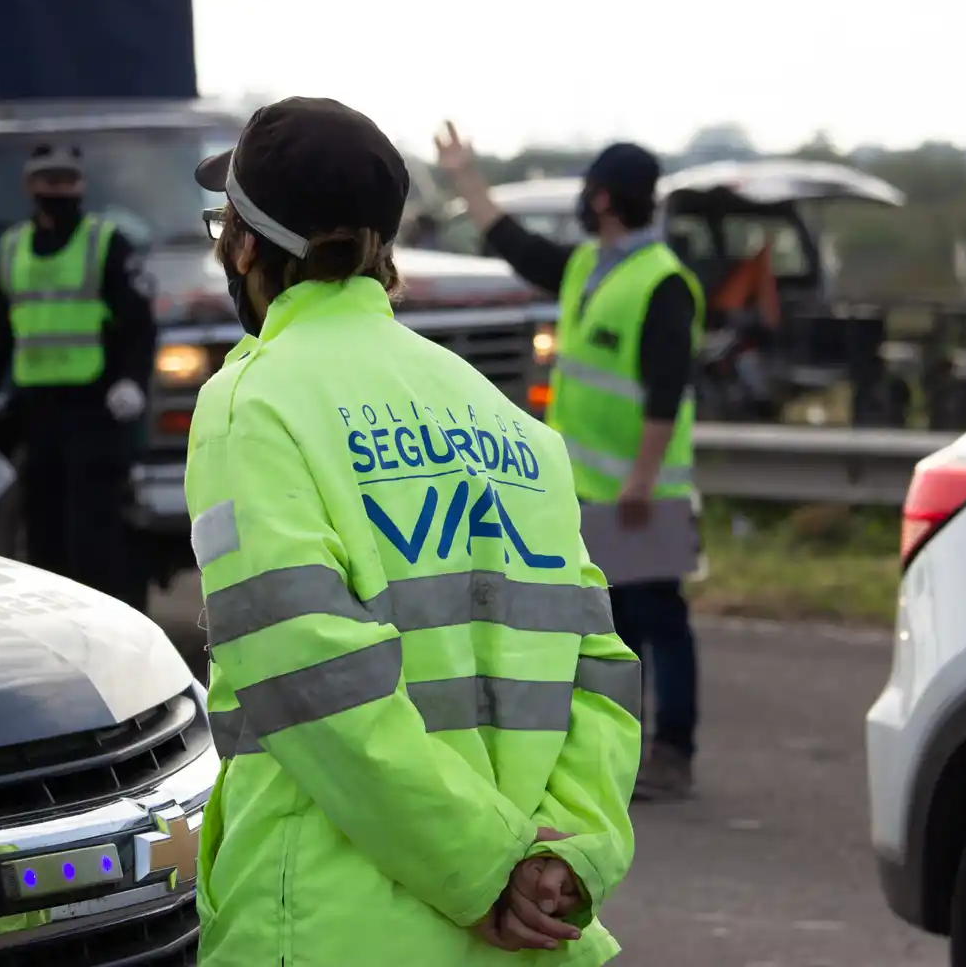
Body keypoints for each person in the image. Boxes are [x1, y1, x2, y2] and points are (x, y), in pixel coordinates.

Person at [185, 96, 640, 967]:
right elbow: (600, 674)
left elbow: (308, 677)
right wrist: (566, 859)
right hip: (532, 936)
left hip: (330, 928)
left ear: (246, 245)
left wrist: (481, 871)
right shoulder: (511, 426)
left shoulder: (254, 401)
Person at [436, 123, 704, 800]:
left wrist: (642, 476)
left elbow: (667, 390)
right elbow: (515, 244)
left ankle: (674, 750)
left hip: (644, 488)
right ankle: (624, 748)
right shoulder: (589, 265)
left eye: (590, 193)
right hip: (590, 487)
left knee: (659, 619)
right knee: (610, 620)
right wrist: (466, 180)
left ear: (606, 199)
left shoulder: (661, 282)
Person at [0, 143, 156, 604]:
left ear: (81, 185)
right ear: (31, 185)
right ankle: (60, 630)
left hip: (95, 411)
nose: (58, 189)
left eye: (67, 179)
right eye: (49, 179)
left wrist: (131, 380)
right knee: (44, 532)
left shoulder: (105, 243)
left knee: (95, 534)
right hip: (38, 413)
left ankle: (112, 625)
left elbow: (139, 325)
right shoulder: (12, 250)